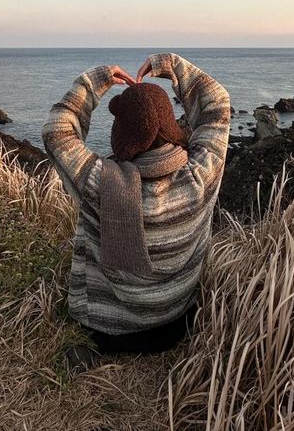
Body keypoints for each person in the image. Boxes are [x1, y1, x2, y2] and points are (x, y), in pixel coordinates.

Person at [41, 52, 230, 365]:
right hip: (175, 325)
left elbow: (56, 132)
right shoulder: (201, 174)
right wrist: (171, 65)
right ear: (171, 126)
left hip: (104, 329)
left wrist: (92, 83)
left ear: (122, 136)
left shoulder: (99, 183)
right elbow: (218, 105)